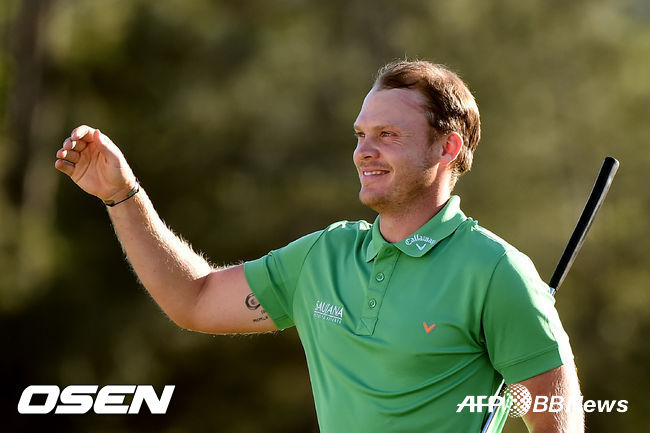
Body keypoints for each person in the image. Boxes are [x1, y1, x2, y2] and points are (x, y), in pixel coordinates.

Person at [55, 60, 584, 433]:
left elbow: (558, 424)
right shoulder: (323, 256)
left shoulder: (497, 272)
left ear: (447, 148)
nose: (363, 152)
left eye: (388, 135)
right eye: (360, 135)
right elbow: (193, 300)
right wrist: (123, 195)